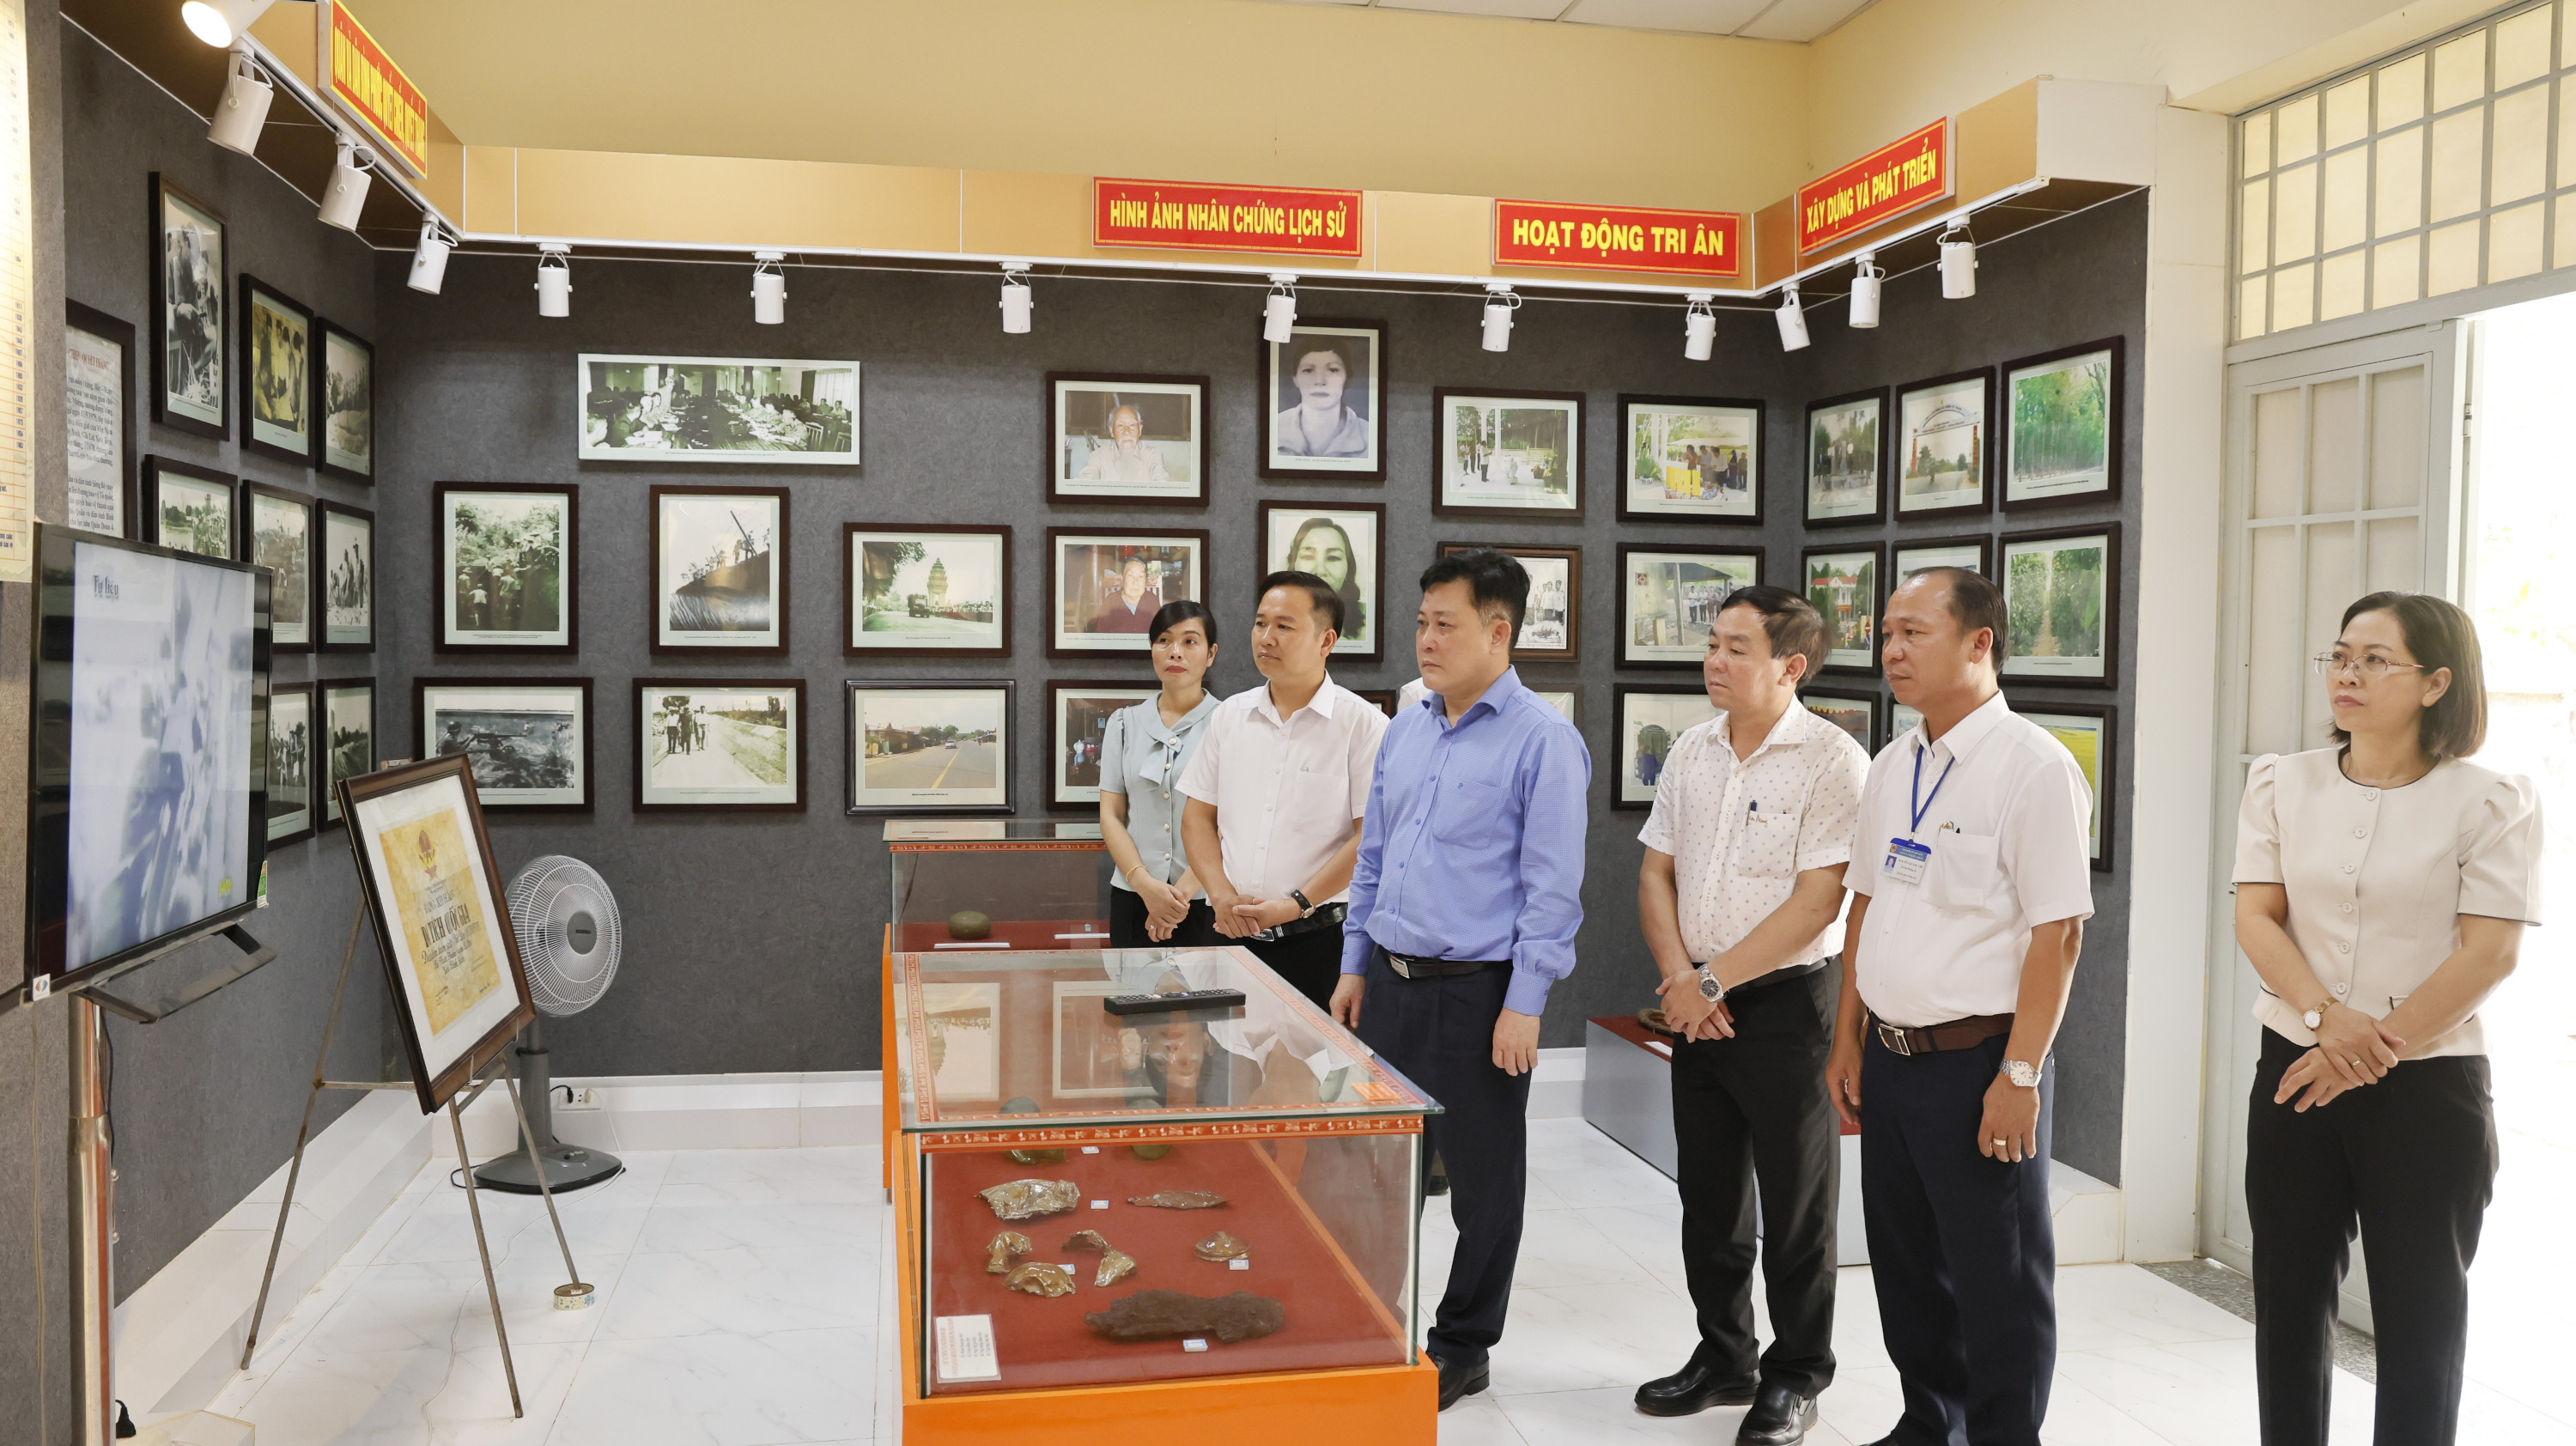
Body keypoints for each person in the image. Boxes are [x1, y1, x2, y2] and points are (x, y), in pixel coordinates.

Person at [2233, 592, 2539, 1446]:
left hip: (2430, 1087)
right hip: (2295, 1069)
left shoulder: (2492, 799)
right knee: (2288, 1300)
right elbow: (2256, 916)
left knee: (2421, 1317)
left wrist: (2365, 1050)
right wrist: (2324, 1017)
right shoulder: (2280, 780)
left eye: (2374, 660)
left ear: (2437, 682)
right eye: (2340, 656)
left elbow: (2490, 953)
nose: (2348, 674)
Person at [1823, 566, 2093, 1446]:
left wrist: (2021, 1074)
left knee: (1995, 1276)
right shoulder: (1894, 763)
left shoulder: (2034, 768)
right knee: (1905, 1262)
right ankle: (1928, 1421)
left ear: (1980, 643)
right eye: (1887, 633)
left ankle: (2005, 1435)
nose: (1892, 650)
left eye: (1915, 632)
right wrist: (1848, 1037)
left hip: (1979, 1063)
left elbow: (2059, 935)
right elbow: (1865, 905)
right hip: (1891, 1058)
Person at [1332, 548, 1589, 1412]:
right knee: (1377, 1168)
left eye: (1446, 624)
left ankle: (1465, 1342)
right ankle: (1372, 1317)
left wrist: (1525, 1005)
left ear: (1499, 631)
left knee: (1483, 1183)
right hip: (1389, 983)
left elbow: (1552, 893)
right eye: (1421, 623)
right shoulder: (1405, 729)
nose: (1427, 640)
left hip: (1478, 994)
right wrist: (1355, 965)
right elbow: (1372, 861)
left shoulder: (1545, 741)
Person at [1633, 586, 1867, 1446]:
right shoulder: (1692, 748)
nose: (1715, 660)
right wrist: (1681, 980)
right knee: (1709, 1196)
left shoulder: (1833, 760)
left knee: (1797, 1205)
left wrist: (1712, 983)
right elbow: (1655, 871)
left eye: (1737, 648)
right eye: (1713, 643)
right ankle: (1725, 1356)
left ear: (1790, 666)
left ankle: (1797, 1373)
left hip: (1785, 1006)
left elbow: (1819, 901)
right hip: (1695, 1000)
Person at [1179, 571, 1387, 1009]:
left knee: (1316, 1053)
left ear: (1326, 640)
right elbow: (1197, 818)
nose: (1266, 637)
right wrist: (1220, 895)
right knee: (1225, 1049)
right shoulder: (1230, 716)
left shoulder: (1363, 724)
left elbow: (1371, 837)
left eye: (1284, 626)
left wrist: (1296, 904)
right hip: (1229, 934)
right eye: (1260, 624)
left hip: (1321, 940)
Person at [1100, 601, 1224, 949]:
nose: (1175, 652)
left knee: (1205, 985)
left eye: (1190, 641)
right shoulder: (1123, 723)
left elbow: (1231, 824)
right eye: (1164, 641)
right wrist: (1145, 887)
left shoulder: (1229, 723)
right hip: (1133, 896)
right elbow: (1110, 816)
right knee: (1132, 984)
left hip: (1206, 898)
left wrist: (1177, 899)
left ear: (1211, 654)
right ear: (1152, 649)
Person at [1273, 337, 1370, 459]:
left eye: (1333, 370)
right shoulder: (1272, 429)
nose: (1320, 381)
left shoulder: (1371, 436)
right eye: (1308, 370)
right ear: (1295, 379)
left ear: (1348, 379)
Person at [1284, 515, 1367, 640]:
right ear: (1293, 565)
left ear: (1348, 569)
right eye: (1308, 556)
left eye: (1333, 558)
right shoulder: (1273, 613)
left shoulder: (1369, 623)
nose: (1320, 571)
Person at [1076, 404, 1170, 483]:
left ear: (1140, 429)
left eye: (1132, 425)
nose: (1127, 431)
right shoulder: (1098, 457)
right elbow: (1083, 483)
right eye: (1120, 425)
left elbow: (1162, 483)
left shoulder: (1152, 456)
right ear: (1111, 431)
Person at [1089, 555, 1162, 634]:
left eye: (1140, 576)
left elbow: (1161, 630)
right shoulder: (1111, 601)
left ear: (1145, 580)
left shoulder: (1151, 600)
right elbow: (1100, 633)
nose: (1135, 582)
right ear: (1122, 579)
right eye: (1130, 575)